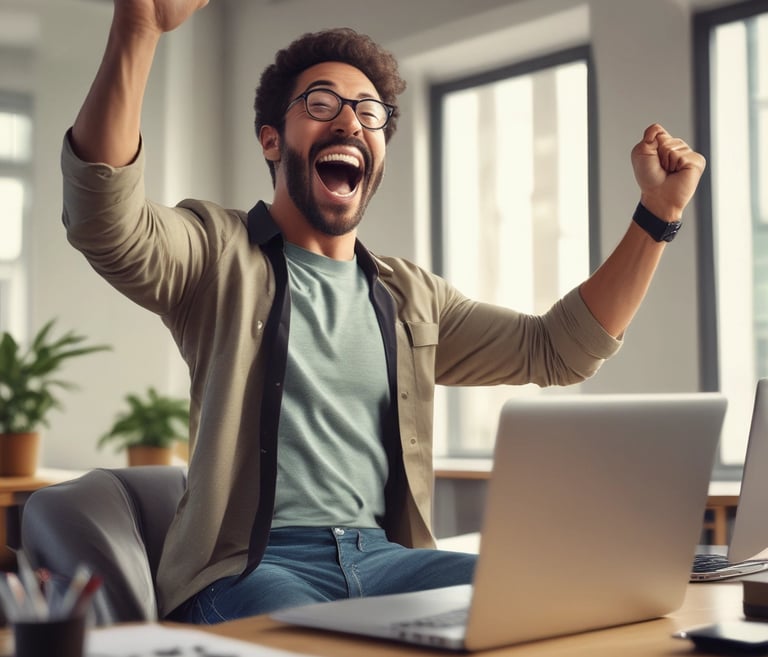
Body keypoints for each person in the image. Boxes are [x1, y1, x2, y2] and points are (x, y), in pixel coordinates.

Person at [62, 0, 706, 625]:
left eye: (369, 113)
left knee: (565, 599)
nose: (349, 123)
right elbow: (106, 221)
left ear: (380, 155)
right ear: (270, 138)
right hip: (251, 569)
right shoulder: (214, 253)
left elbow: (558, 350)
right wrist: (139, 26)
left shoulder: (412, 298)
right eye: (321, 104)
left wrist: (658, 216)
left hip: (387, 562)